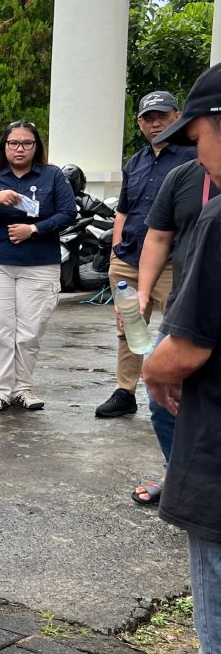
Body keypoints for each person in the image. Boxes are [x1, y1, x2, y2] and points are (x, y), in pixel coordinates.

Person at [141, 61, 221, 654]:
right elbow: (154, 239)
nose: (197, 147)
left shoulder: (220, 216)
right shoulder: (183, 184)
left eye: (198, 133)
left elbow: (185, 351)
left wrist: (154, 364)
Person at [94, 91, 195, 419]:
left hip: (172, 261)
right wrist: (115, 255)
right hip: (128, 260)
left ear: (176, 117)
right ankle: (125, 390)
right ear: (139, 123)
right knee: (129, 328)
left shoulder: (192, 157)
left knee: (181, 327)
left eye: (161, 117)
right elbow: (122, 211)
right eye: (148, 118)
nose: (155, 124)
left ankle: (185, 390)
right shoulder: (135, 162)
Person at [130, 124, 216, 505]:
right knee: (162, 394)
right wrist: (143, 294)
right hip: (187, 304)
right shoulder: (183, 176)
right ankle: (177, 475)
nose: (196, 154)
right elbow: (159, 236)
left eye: (198, 141)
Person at [0, 120, 76, 412]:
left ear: (36, 147)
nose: (20, 148)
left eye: (27, 143)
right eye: (13, 143)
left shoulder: (52, 176)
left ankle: (23, 389)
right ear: (4, 147)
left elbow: (68, 213)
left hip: (39, 263)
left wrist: (35, 230)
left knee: (30, 330)